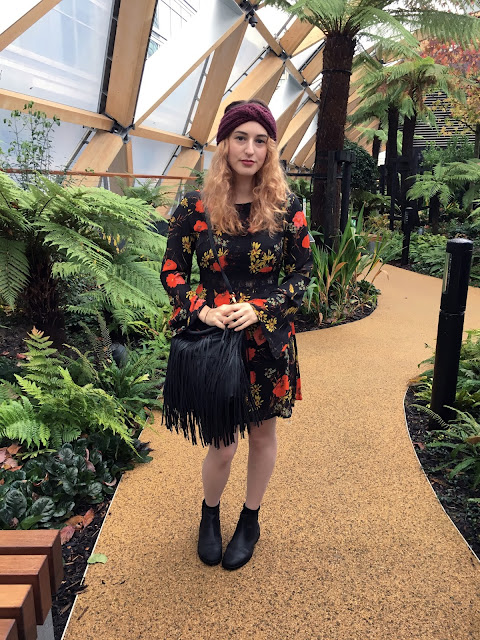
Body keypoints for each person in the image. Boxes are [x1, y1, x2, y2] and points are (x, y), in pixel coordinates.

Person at [160, 99, 312, 571]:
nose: (250, 149)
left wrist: (261, 308)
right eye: (240, 138)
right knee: (223, 443)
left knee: (263, 436)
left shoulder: (287, 207)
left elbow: (304, 274)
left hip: (267, 344)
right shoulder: (195, 205)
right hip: (216, 343)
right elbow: (171, 271)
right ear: (224, 143)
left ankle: (250, 519)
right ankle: (210, 515)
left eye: (260, 140)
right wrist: (202, 311)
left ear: (270, 149)